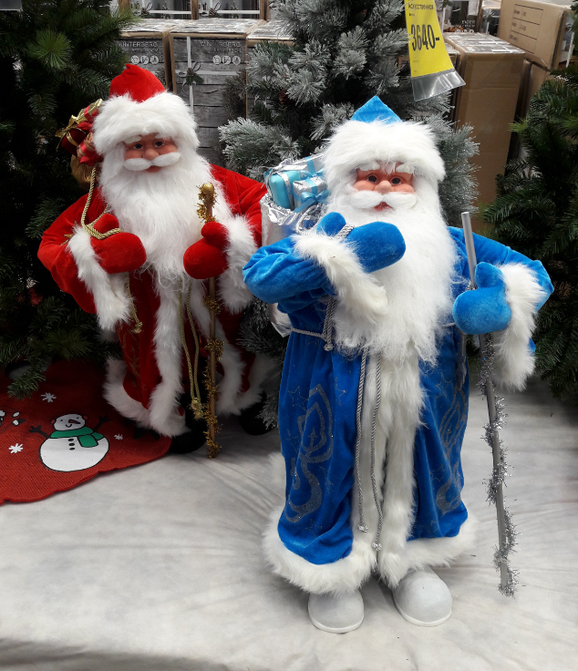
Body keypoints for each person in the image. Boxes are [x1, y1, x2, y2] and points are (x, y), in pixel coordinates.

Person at [243, 97, 552, 632]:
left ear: (422, 187)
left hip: (427, 387)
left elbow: (532, 275)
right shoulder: (318, 239)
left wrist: (500, 299)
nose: (384, 188)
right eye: (370, 176)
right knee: (327, 465)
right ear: (345, 183)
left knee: (428, 465)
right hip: (329, 385)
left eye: (399, 178)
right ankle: (330, 564)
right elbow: (261, 275)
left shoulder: (452, 244)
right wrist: (338, 260)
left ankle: (413, 556)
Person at [39, 64, 272, 452]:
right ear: (117, 151)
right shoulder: (104, 198)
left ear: (179, 141)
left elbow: (263, 203)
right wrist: (96, 256)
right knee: (157, 361)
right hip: (147, 311)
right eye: (136, 146)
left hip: (216, 301)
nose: (149, 155)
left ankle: (243, 398)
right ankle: (172, 414)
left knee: (233, 352)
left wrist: (231, 243)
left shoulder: (213, 179)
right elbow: (52, 243)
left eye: (159, 142)